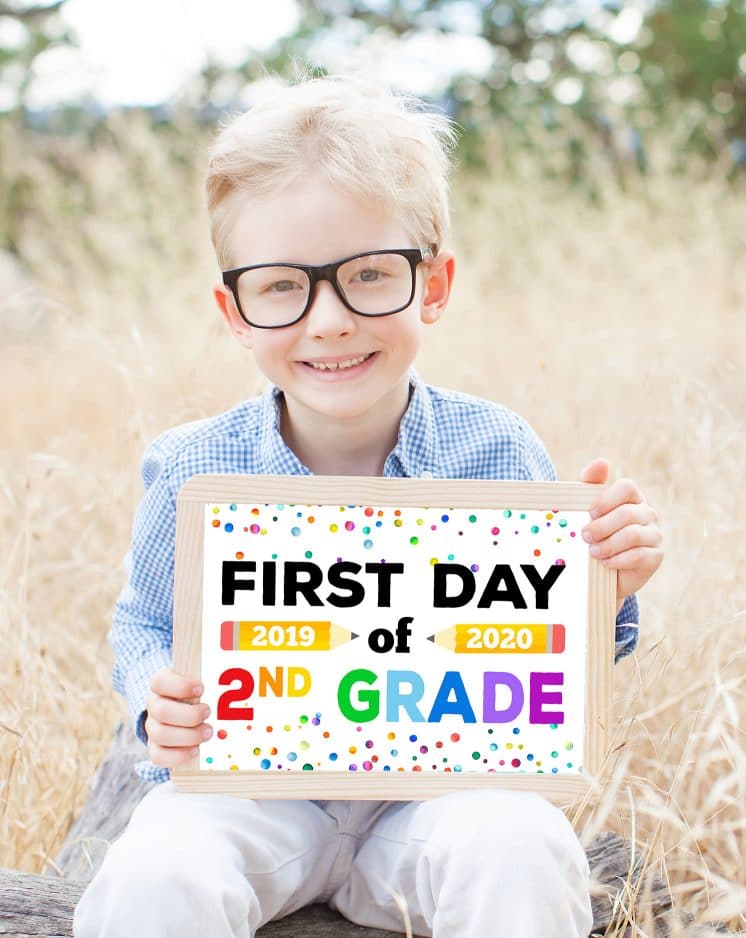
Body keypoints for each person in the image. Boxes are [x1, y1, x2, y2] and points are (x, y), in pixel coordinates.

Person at [73, 74, 663, 938]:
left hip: (437, 801)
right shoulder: (196, 466)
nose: (330, 321)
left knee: (521, 843)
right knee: (154, 873)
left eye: (369, 275)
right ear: (233, 310)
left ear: (433, 284)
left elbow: (563, 654)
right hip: (251, 798)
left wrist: (611, 582)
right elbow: (142, 626)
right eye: (281, 287)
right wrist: (153, 697)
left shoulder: (496, 452)